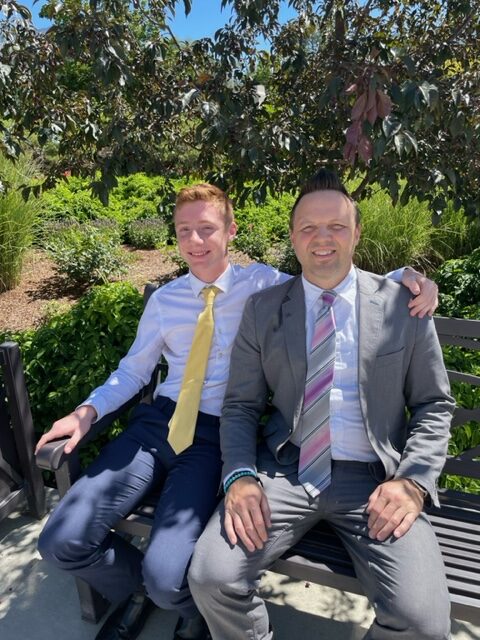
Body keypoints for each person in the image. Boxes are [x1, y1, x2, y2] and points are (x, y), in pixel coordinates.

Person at [36, 182, 439, 640]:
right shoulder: (166, 300)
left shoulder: (263, 285)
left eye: (207, 228)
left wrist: (407, 276)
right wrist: (87, 411)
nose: (195, 241)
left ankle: (170, 596)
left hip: (215, 435)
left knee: (168, 574)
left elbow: (329, 273)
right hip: (157, 424)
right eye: (183, 230)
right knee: (60, 540)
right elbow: (133, 370)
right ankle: (150, 595)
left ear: (231, 231)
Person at [188, 170, 454, 640]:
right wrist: (240, 476)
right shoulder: (264, 309)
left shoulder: (402, 305)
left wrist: (413, 481)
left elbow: (433, 403)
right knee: (212, 576)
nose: (322, 238)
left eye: (336, 226)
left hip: (377, 479)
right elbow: (241, 406)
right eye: (309, 227)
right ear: (293, 238)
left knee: (423, 623)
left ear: (357, 233)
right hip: (285, 471)